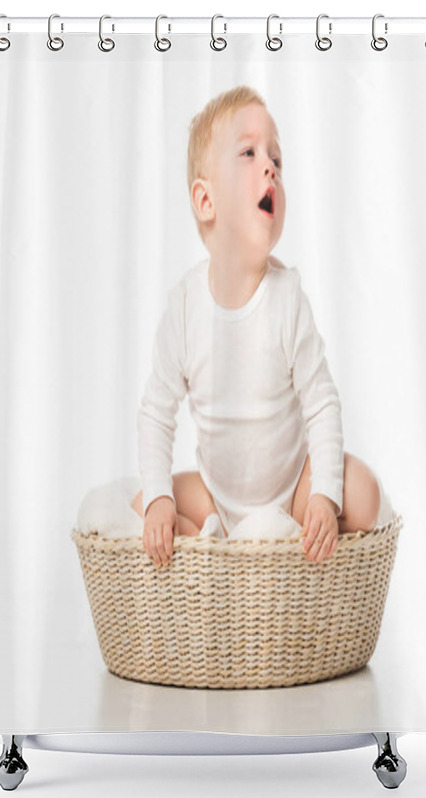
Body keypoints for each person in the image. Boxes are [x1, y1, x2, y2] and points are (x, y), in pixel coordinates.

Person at [132, 86, 380, 568]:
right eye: (248, 153)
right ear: (206, 201)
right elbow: (156, 413)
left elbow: (322, 403)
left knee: (365, 494)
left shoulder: (287, 298)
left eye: (276, 159)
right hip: (217, 497)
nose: (269, 166)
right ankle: (211, 536)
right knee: (143, 504)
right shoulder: (184, 307)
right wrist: (162, 497)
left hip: (290, 491)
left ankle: (280, 534)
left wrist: (324, 497)